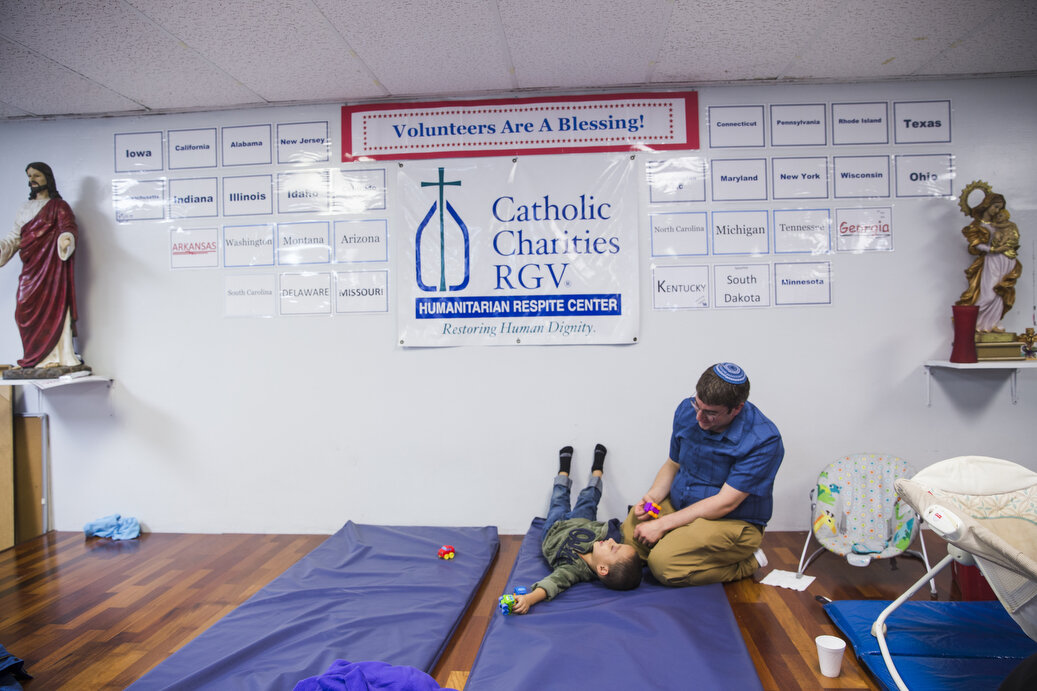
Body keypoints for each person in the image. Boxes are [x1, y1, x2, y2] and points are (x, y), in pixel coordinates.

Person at [621, 363, 784, 586]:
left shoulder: (764, 440)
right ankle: (677, 543)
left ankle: (748, 561)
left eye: (710, 413)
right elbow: (672, 464)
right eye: (697, 405)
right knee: (632, 538)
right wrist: (652, 498)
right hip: (680, 506)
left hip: (729, 520)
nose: (699, 417)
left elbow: (725, 504)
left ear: (736, 408)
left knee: (663, 565)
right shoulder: (687, 410)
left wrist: (662, 524)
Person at [509, 444, 643, 614]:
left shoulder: (574, 570)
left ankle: (563, 471)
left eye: (613, 547)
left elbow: (553, 584)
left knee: (559, 498)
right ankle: (597, 471)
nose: (611, 540)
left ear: (603, 569)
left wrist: (528, 599)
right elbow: (624, 529)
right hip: (581, 520)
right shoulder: (604, 537)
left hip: (553, 528)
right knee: (589, 497)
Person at [0, 162, 84, 370]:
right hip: (31, 270)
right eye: (29, 176)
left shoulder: (59, 206)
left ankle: (54, 357)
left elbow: (68, 228)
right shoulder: (24, 209)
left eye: (36, 175)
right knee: (22, 311)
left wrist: (66, 239)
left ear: (47, 177)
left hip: (51, 271)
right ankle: (34, 358)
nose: (32, 180)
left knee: (54, 308)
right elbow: (15, 238)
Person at [956, 186, 1022, 333]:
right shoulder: (977, 225)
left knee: (1000, 292)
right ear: (987, 205)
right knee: (989, 294)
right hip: (991, 261)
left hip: (1005, 260)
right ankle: (974, 323)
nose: (997, 211)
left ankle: (993, 323)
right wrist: (993, 250)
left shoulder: (1000, 223)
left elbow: (1012, 236)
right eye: (996, 207)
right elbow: (976, 244)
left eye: (1000, 208)